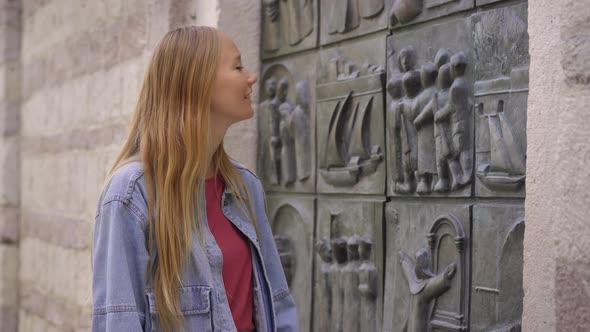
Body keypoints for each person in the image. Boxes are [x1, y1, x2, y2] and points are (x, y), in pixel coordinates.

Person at [92, 26, 299, 332]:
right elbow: (119, 320)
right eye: (238, 66)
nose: (251, 77)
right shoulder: (132, 193)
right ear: (198, 83)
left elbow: (278, 304)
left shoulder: (245, 187)